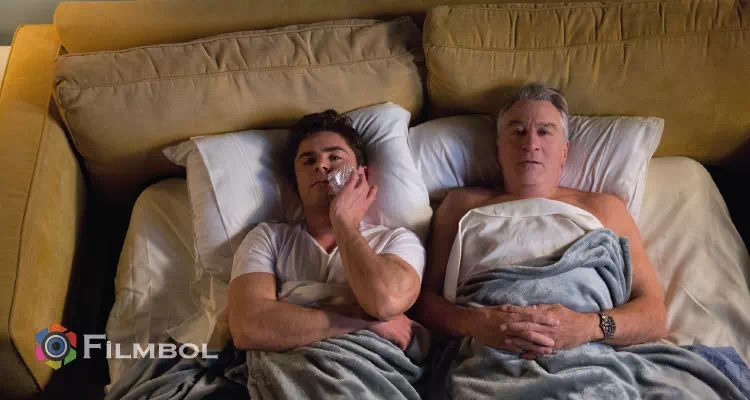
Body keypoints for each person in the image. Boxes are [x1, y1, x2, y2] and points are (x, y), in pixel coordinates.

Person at [416, 84, 668, 359]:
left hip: (589, 356)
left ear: (564, 151)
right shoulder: (460, 206)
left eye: (545, 132)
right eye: (518, 131)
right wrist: (476, 323)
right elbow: (424, 302)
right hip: (486, 353)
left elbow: (654, 314)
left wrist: (588, 327)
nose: (530, 144)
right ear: (499, 148)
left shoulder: (606, 209)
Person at [228, 109, 425, 353]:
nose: (321, 165)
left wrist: (344, 222)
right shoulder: (267, 238)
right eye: (309, 161)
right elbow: (247, 328)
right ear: (297, 183)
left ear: (362, 174)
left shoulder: (397, 240)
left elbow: (385, 303)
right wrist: (361, 320)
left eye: (335, 157)